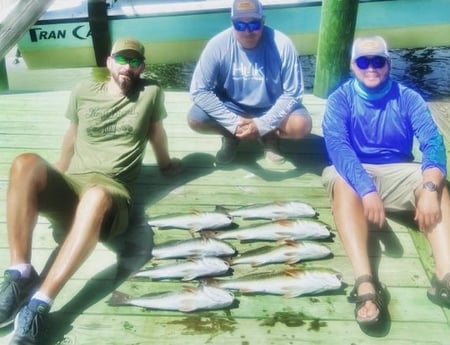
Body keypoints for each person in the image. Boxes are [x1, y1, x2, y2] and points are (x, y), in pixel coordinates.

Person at [0, 37, 182, 344]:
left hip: (111, 196)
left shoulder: (151, 93)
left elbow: (156, 133)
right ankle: (20, 273)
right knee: (24, 163)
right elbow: (71, 135)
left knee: (96, 195)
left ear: (143, 68)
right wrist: (53, 174)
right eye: (122, 59)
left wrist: (166, 165)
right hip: (75, 185)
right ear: (108, 62)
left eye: (135, 61)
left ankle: (39, 304)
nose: (128, 66)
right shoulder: (83, 90)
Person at [321, 35, 450, 329]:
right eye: (363, 61)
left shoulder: (408, 97)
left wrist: (430, 187)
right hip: (352, 170)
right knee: (343, 183)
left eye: (377, 61)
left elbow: (433, 142)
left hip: (398, 168)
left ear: (388, 64)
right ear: (352, 65)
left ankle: (445, 277)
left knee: (438, 186)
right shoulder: (340, 99)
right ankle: (366, 283)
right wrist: (366, 190)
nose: (371, 67)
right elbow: (338, 148)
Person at [187, 0, 312, 165]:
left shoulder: (283, 44)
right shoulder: (217, 45)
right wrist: (233, 123)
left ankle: (269, 136)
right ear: (232, 22)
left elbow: (293, 93)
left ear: (263, 21)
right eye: (240, 25)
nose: (247, 32)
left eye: (254, 25)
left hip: (272, 105)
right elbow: (199, 90)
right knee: (195, 119)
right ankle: (231, 136)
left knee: (301, 126)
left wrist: (263, 124)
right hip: (233, 105)